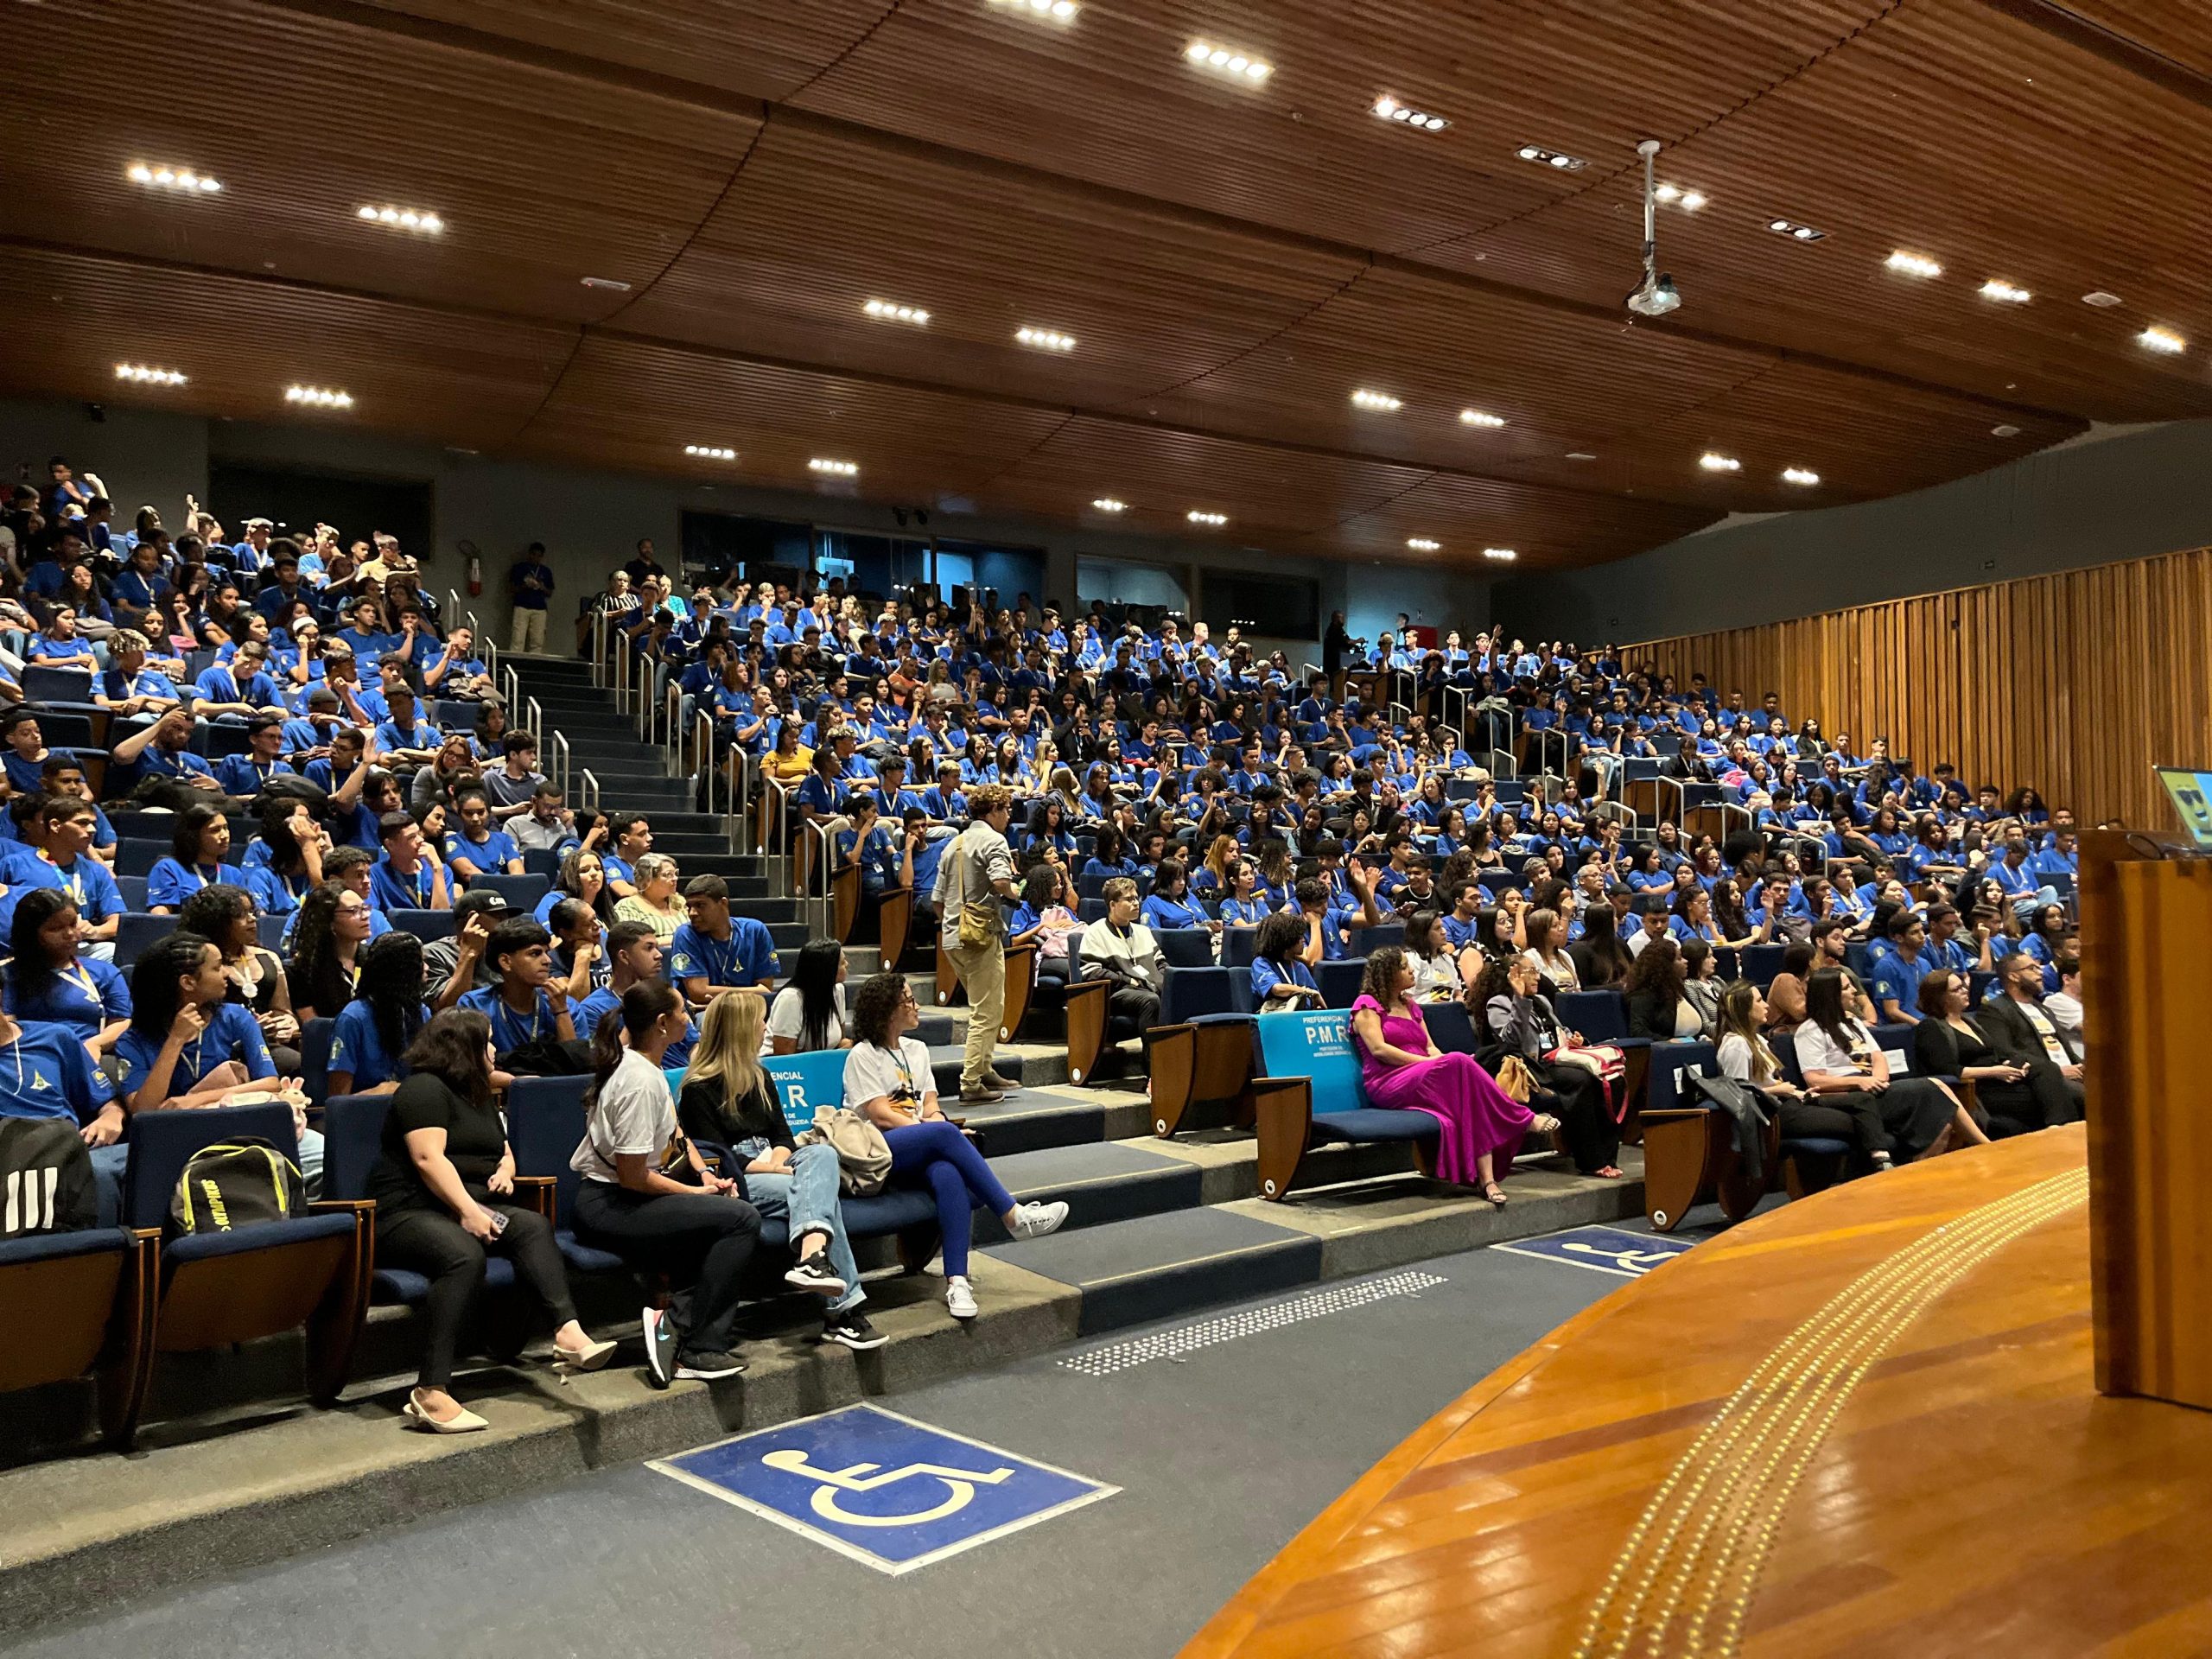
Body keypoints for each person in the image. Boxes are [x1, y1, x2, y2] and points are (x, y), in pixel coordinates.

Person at [372, 1008, 615, 1432]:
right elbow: (428, 1159)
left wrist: (505, 1169)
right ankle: (431, 1391)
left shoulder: (478, 1092)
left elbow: (502, 1148)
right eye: (486, 1041)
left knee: (531, 1226)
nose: (494, 1049)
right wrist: (468, 1210)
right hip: (408, 1211)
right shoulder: (423, 1089)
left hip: (466, 1206)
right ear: (463, 1046)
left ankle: (568, 1332)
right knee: (463, 1255)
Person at [843, 970, 1066, 1321]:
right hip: (878, 1151)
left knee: (947, 1172)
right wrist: (935, 1132)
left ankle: (957, 1282)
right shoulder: (863, 1055)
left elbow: (931, 1105)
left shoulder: (917, 1050)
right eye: (909, 1000)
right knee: (946, 1134)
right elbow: (881, 1114)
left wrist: (934, 1126)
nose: (917, 1006)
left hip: (919, 1145)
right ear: (887, 1010)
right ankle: (1012, 1215)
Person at [570, 981, 761, 1386]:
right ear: (662, 1023)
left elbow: (677, 1132)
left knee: (727, 1211)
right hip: (610, 1205)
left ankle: (673, 1325)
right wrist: (696, 1193)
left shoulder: (646, 1067)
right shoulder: (639, 1081)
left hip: (627, 1198)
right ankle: (699, 1347)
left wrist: (706, 1175)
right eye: (682, 1012)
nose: (689, 1019)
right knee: (741, 1219)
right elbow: (632, 1176)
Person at [677, 993, 881, 1351]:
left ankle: (813, 1259)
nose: (765, 1028)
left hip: (777, 1163)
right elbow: (717, 1156)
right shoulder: (698, 1090)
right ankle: (842, 1312)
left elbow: (783, 1135)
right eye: (760, 1021)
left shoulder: (761, 1076)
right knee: (818, 1195)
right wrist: (774, 1168)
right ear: (740, 1030)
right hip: (736, 1179)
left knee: (821, 1154)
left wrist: (781, 1162)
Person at [118, 931, 319, 1188]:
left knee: (322, 1154)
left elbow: (270, 1083)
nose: (227, 973)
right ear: (188, 982)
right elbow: (143, 1111)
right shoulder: (133, 1041)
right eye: (217, 967)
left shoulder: (236, 1017)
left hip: (240, 1130)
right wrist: (176, 1040)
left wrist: (195, 1100)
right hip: (176, 1140)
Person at [1349, 947, 1539, 1206]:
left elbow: (1430, 1047)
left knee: (1469, 1096)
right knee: (1458, 1061)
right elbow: (1379, 1050)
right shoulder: (1366, 1005)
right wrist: (1432, 1063)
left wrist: (1438, 1060)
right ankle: (1520, 1117)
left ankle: (1488, 1180)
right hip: (1389, 1081)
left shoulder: (1411, 1005)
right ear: (1388, 974)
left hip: (1424, 1074)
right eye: (1404, 967)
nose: (1411, 970)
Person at [1796, 967, 1983, 1162]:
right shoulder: (1810, 1031)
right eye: (1846, 987)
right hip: (1852, 1098)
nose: (1854, 990)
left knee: (1942, 1120)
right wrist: (1859, 1082)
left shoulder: (1853, 1022)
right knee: (1935, 1089)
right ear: (1831, 995)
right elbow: (1814, 1079)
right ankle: (1984, 1146)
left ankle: (1922, 1165)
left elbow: (1878, 1057)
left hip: (1876, 1089)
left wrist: (1878, 1078)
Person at [1714, 981, 1892, 1175]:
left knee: (1862, 1100)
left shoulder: (1757, 1039)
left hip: (1791, 1101)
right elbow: (1738, 1095)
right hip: (1774, 1113)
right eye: (1759, 1001)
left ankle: (1875, 1163)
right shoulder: (1736, 1044)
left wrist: (1799, 1093)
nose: (1766, 1005)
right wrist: (1778, 1090)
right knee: (1856, 1121)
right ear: (1744, 1009)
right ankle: (1878, 1164)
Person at [1476, 954, 1622, 1178]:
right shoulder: (1498, 1003)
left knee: (1610, 1078)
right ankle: (1591, 1161)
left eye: (1537, 971)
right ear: (1514, 975)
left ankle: (1608, 1157)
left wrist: (1573, 1039)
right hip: (1529, 1067)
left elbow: (1559, 1029)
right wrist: (1520, 999)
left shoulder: (1542, 1001)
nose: (1537, 977)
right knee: (1581, 1080)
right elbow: (1510, 1042)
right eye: (1531, 972)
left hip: (1557, 1059)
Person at [931, 781, 1021, 1103]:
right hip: (980, 936)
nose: (1009, 816)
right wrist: (1016, 893)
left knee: (990, 1006)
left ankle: (984, 1067)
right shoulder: (994, 840)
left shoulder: (952, 844)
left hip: (952, 937)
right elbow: (1001, 881)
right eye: (1006, 810)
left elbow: (937, 901)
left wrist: (955, 922)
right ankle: (970, 1083)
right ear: (993, 810)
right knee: (986, 1011)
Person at [177, 883, 301, 1074]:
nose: (252, 919)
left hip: (265, 1045)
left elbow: (282, 1011)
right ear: (217, 921)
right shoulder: (198, 963)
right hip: (216, 1046)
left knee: (301, 1064)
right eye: (241, 915)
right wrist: (248, 1029)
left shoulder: (268, 958)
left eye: (252, 912)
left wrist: (286, 1023)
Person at [5, 889, 130, 1060]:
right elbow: (7, 1027)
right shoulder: (9, 976)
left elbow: (122, 1022)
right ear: (31, 934)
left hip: (88, 1055)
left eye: (73, 924)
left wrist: (95, 1044)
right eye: (56, 929)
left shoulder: (105, 972)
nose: (70, 934)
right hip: (30, 1056)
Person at [1970, 953, 2088, 1124]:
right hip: (2037, 1080)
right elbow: (2005, 1052)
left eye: (2039, 967)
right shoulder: (1994, 1010)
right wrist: (2056, 1070)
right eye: (2032, 968)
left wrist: (2082, 1066)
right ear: (2014, 976)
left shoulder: (2044, 1009)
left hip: (2071, 1074)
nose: (2040, 972)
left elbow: (2066, 1049)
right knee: (2095, 1097)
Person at [458, 918, 578, 1069]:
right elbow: (473, 1070)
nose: (547, 960)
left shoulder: (568, 1005)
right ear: (505, 962)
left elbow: (575, 1066)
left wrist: (561, 1012)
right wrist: (522, 1080)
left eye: (547, 952)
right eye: (535, 953)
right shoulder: (474, 1005)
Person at [329, 931, 432, 1096]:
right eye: (420, 962)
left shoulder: (422, 1012)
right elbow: (337, 1099)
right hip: (366, 1109)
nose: (426, 968)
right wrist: (380, 1092)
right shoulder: (352, 1018)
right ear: (401, 970)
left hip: (411, 1104)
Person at [1077, 876, 1166, 1054]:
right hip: (1116, 993)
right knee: (1150, 1000)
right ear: (1113, 905)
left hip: (1147, 987)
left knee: (1178, 994)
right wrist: (1127, 980)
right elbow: (1091, 972)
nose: (1136, 903)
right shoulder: (1095, 932)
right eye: (1129, 899)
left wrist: (1164, 983)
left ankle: (1179, 1062)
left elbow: (1161, 963)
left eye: (1136, 898)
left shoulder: (1143, 931)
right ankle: (1153, 1066)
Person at [668, 874, 779, 1009]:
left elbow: (766, 989)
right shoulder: (685, 934)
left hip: (748, 1010)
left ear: (723, 903)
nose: (692, 913)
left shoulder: (755, 930)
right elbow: (698, 992)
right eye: (689, 906)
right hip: (705, 1012)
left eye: (700, 905)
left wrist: (717, 996)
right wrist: (753, 992)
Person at [287, 880, 376, 1024]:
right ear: (329, 921)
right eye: (354, 911)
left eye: (365, 908)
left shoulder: (375, 959)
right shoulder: (302, 970)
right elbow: (314, 1026)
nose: (365, 915)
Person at [145, 802, 245, 913]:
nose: (225, 835)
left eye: (225, 828)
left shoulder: (234, 875)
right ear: (194, 836)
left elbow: (243, 915)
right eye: (215, 830)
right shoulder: (169, 868)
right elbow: (160, 917)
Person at [767, 938, 848, 1054]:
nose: (847, 964)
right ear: (828, 969)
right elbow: (784, 1056)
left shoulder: (838, 991)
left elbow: (839, 1041)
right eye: (842, 963)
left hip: (821, 1061)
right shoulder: (791, 998)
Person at [1625, 936, 1702, 1039]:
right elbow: (1637, 1030)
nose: (1685, 961)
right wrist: (1667, 1042)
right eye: (1679, 958)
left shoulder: (1676, 989)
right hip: (1670, 1047)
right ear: (1665, 965)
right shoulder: (1643, 995)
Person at [1249, 909, 1325, 1007]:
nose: (1303, 940)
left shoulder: (1300, 967)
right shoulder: (1261, 963)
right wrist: (1305, 991)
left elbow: (1316, 997)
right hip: (1275, 1015)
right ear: (1286, 939)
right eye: (1299, 937)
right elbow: (1277, 989)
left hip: (1302, 1015)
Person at [613, 852, 683, 944]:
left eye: (675, 873)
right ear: (647, 880)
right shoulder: (627, 907)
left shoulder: (680, 902)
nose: (675, 878)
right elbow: (630, 942)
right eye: (667, 874)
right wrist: (675, 940)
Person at [507, 541, 554, 654]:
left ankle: (535, 662)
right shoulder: (519, 568)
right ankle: (514, 662)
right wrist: (524, 586)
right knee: (517, 639)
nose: (535, 558)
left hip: (539, 609)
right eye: (533, 554)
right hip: (521, 606)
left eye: (539, 556)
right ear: (529, 554)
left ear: (542, 557)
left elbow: (550, 593)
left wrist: (542, 587)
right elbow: (511, 589)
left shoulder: (546, 571)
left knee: (537, 641)